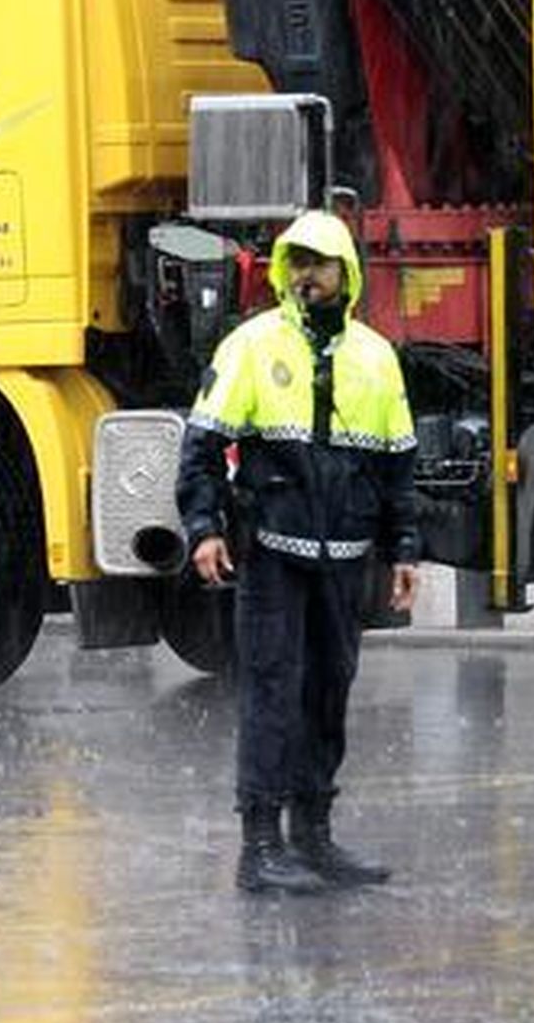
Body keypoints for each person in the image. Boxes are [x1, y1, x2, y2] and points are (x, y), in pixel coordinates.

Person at [176, 209, 420, 893]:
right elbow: (200, 449)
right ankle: (259, 846)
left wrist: (405, 548)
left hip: (344, 558)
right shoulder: (251, 346)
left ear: (348, 272)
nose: (307, 275)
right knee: (272, 694)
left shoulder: (376, 357)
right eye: (299, 262)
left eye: (321, 262)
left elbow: (399, 465)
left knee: (328, 694)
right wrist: (205, 528)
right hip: (273, 555)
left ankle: (313, 837)